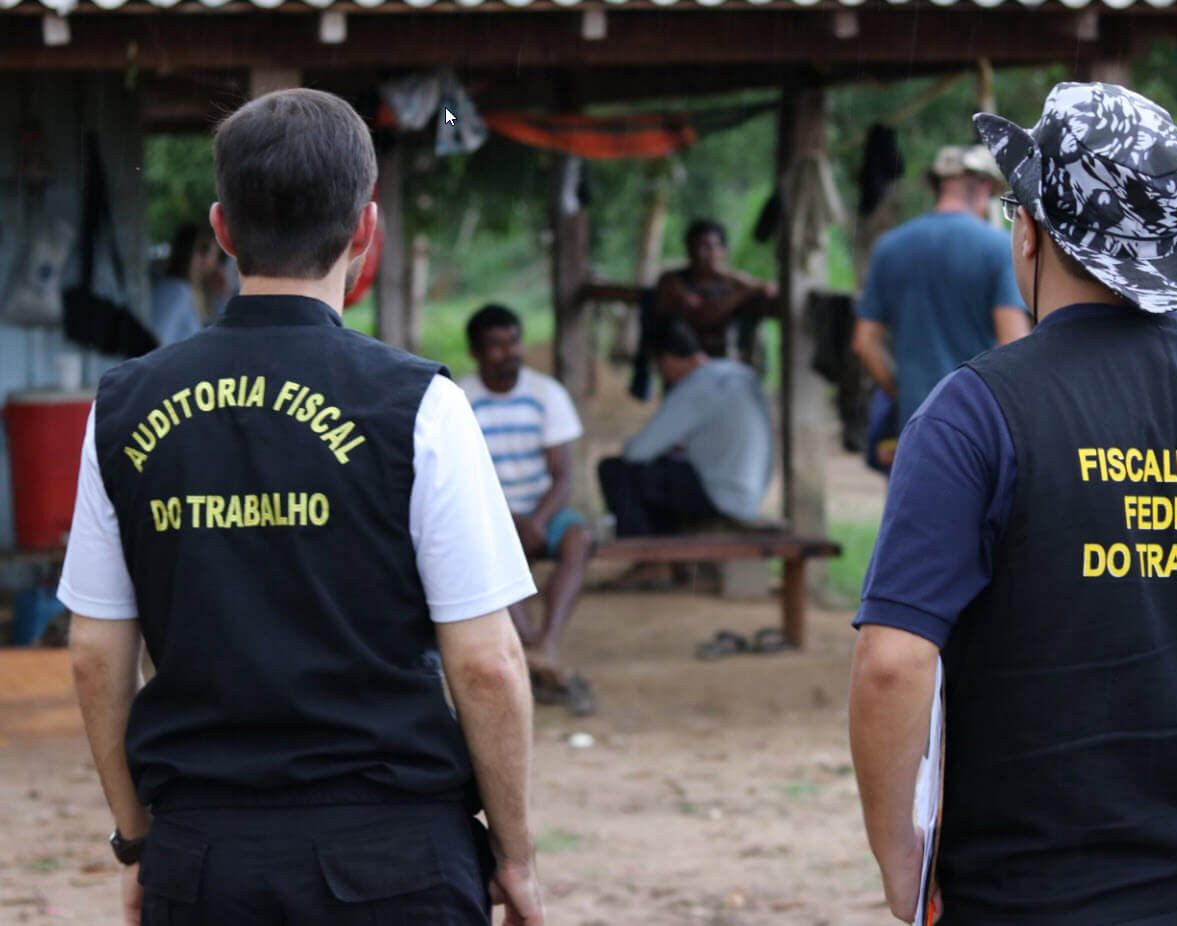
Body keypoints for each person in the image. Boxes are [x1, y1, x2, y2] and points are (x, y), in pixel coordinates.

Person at [849, 83, 1177, 925]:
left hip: (1031, 900)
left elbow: (894, 662)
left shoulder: (976, 413)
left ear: (1031, 231)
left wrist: (903, 859)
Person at [61, 89, 545, 926]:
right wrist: (516, 853)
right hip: (394, 858)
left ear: (222, 231)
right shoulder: (419, 405)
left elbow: (95, 655)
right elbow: (487, 662)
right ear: (365, 231)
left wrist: (140, 842)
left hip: (201, 860)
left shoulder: (123, 404)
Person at [461, 303, 596, 717]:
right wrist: (509, 521)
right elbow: (464, 479)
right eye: (497, 346)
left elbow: (562, 477)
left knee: (579, 538)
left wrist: (536, 521)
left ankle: (544, 644)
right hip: (489, 511)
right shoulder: (459, 399)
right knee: (495, 546)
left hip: (543, 509)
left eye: (514, 341)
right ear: (477, 353)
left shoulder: (546, 393)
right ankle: (531, 647)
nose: (510, 352)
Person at [851, 145, 1031, 429]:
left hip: (914, 423)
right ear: (984, 187)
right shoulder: (998, 249)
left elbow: (864, 343)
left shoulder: (890, 247)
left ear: (936, 186)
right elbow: (1014, 345)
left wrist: (901, 393)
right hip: (975, 425)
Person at [597, 320, 771, 582]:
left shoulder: (698, 385)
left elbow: (637, 452)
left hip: (721, 494)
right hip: (750, 492)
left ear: (667, 360)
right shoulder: (738, 374)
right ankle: (672, 562)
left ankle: (651, 560)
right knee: (664, 475)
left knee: (616, 470)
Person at [654, 218, 777, 361]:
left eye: (708, 247)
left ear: (722, 252)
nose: (701, 253)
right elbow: (702, 315)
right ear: (687, 249)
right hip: (683, 363)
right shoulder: (672, 280)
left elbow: (768, 288)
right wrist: (743, 294)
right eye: (696, 246)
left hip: (723, 361)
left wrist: (728, 275)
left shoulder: (728, 282)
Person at [149, 224, 228, 346]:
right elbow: (154, 343)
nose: (216, 264)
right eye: (216, 256)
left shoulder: (190, 293)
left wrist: (223, 297)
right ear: (201, 255)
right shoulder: (176, 292)